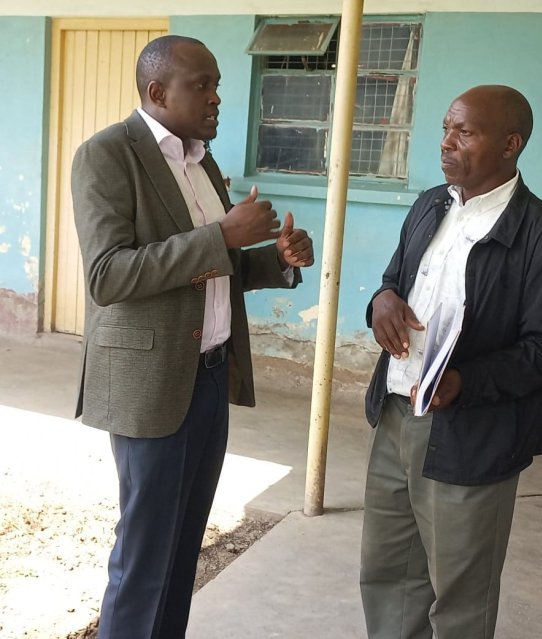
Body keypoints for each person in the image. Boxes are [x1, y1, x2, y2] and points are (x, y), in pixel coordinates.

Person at [71, 35, 314, 639]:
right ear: (157, 92)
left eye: (217, 84)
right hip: (150, 383)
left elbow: (210, 270)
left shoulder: (200, 159)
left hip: (209, 374)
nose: (216, 97)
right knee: (146, 553)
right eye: (200, 85)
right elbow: (109, 275)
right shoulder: (107, 155)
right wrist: (224, 238)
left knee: (183, 548)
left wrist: (275, 260)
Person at [359, 85, 542, 639]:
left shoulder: (541, 235)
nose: (447, 143)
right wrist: (380, 300)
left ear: (510, 144)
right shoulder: (431, 204)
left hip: (471, 433)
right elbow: (393, 283)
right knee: (388, 574)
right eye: (444, 129)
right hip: (395, 415)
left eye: (465, 132)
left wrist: (466, 381)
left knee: (460, 595)